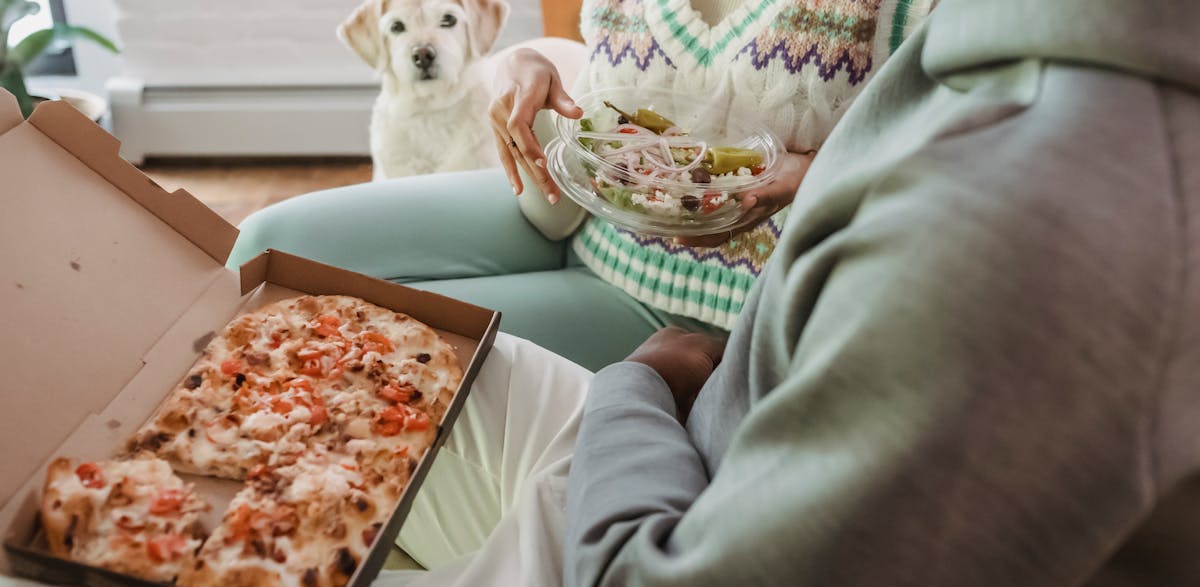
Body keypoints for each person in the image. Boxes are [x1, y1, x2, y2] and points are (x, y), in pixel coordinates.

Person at [350, 0, 1200, 587]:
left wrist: (634, 385)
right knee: (332, 367)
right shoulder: (996, 47)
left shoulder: (1022, 225)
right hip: (676, 443)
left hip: (666, 485)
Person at [228, 0, 933, 370]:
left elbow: (968, 157)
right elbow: (612, 77)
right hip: (566, 212)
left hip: (691, 308)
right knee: (269, 244)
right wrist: (524, 59)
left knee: (357, 343)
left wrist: (821, 173)